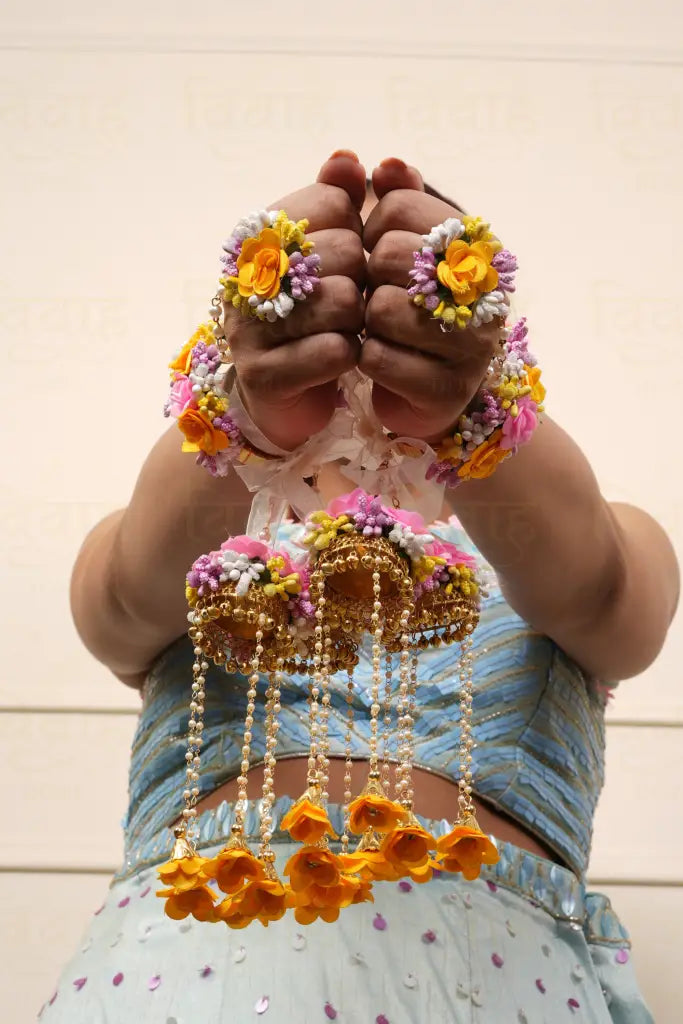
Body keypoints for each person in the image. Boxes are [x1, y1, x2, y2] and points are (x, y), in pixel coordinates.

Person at [45, 152, 678, 1023]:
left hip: (490, 984)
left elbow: (602, 595)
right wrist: (250, 416)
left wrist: (464, 414)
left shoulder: (601, 539)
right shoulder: (194, 539)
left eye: (407, 292)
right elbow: (120, 602)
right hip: (182, 979)